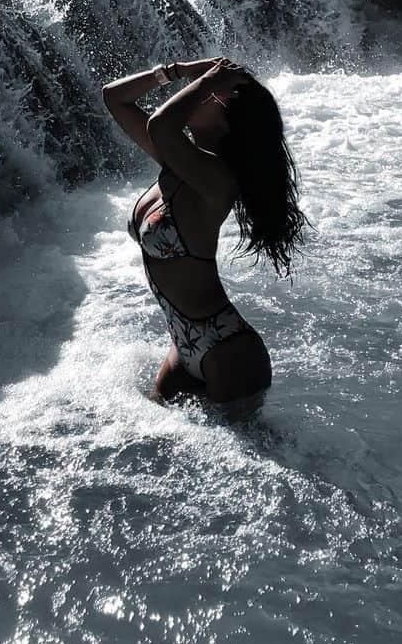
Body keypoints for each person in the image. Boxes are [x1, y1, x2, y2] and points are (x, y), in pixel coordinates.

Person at [102, 56, 306, 406]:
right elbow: (113, 97)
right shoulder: (178, 163)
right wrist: (177, 70)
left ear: (228, 122)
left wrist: (210, 81)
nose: (195, 95)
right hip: (183, 346)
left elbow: (161, 126)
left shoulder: (219, 182)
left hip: (228, 351)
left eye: (208, 96)